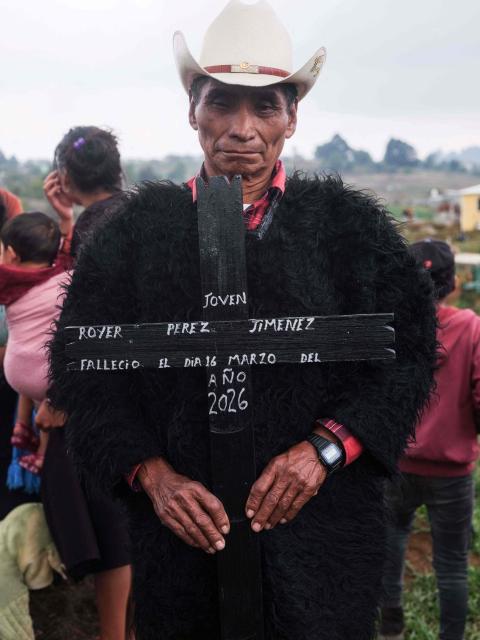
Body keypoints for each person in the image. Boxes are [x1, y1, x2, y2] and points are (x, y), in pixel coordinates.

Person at [49, 2, 437, 639]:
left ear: (292, 117)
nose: (242, 129)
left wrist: (326, 449)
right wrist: (153, 475)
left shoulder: (351, 230)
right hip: (181, 543)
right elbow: (84, 373)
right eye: (222, 103)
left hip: (323, 541)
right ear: (192, 111)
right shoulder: (134, 237)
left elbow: (408, 356)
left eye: (264, 107)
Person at [42, 128, 132, 640]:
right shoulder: (129, 210)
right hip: (145, 389)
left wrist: (59, 398)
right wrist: (66, 222)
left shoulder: (98, 227)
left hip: (111, 400)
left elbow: (88, 321)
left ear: (67, 177)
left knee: (109, 526)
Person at [380, 239, 480, 640]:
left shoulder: (391, 327)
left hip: (397, 463)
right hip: (452, 471)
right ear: (452, 282)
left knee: (391, 544)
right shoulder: (471, 328)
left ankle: (391, 627)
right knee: (453, 565)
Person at [0, 212, 70, 473]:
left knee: (41, 403)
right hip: (48, 377)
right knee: (45, 408)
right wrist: (65, 224)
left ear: (12, 253)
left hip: (25, 372)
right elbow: (66, 257)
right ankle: (41, 453)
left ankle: (24, 431)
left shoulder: (6, 280)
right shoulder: (64, 278)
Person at [43, 125, 125, 259]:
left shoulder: (88, 227)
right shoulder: (138, 206)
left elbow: (69, 276)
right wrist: (66, 219)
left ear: (66, 180)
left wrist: (66, 224)